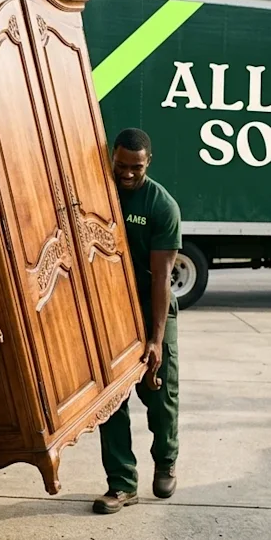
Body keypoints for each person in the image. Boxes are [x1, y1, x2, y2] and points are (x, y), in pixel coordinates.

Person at [93, 127, 182, 514]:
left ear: (149, 162)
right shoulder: (98, 190)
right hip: (110, 309)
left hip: (151, 306)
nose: (127, 174)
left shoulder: (161, 206)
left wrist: (156, 339)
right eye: (121, 165)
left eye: (136, 168)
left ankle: (165, 460)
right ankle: (121, 483)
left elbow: (162, 278)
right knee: (111, 402)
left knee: (159, 392)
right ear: (111, 157)